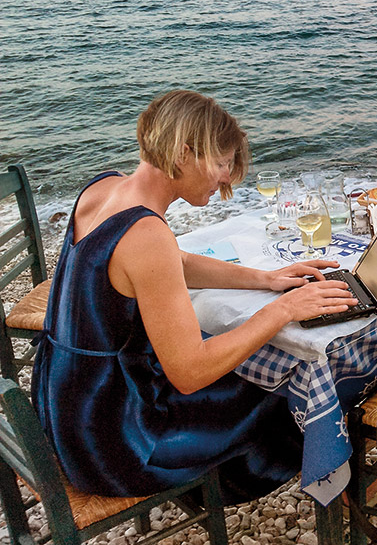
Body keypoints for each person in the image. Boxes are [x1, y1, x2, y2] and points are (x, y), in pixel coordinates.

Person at [31, 89, 357, 503]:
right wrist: (284, 309)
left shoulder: (105, 188)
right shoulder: (146, 234)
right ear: (185, 153)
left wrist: (266, 279)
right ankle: (338, 483)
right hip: (115, 441)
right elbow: (188, 372)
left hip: (64, 407)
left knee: (248, 372)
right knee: (290, 397)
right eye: (221, 163)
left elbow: (176, 263)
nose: (226, 177)